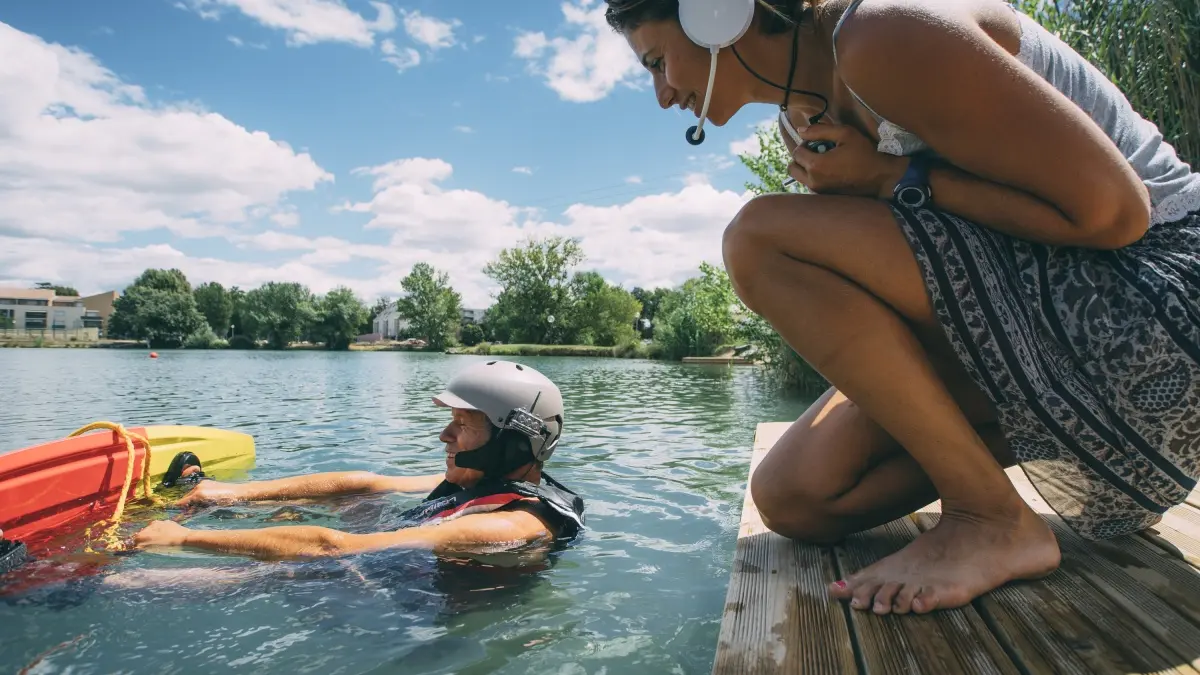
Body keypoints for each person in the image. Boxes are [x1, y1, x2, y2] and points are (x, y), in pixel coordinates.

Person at [605, 0, 1200, 616]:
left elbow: (1115, 214)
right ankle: (1076, 448)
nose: (663, 93)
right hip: (1063, 333)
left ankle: (988, 516)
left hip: (1162, 305)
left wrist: (891, 179)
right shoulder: (803, 114)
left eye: (657, 61)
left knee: (760, 238)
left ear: (716, 14)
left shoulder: (882, 35)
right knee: (798, 497)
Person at [132, 360, 585, 561]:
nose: (444, 435)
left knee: (288, 570)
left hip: (392, 610)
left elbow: (335, 548)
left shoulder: (512, 526)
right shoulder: (483, 482)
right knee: (355, 497)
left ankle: (93, 581)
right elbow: (368, 484)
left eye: (462, 425)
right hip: (384, 562)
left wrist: (185, 540)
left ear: (512, 443)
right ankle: (211, 493)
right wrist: (234, 492)